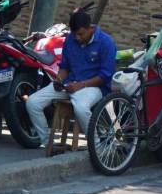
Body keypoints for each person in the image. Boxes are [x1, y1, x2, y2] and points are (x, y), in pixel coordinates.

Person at [25, 8, 116, 148]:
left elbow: (105, 76)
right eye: (75, 35)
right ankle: (46, 141)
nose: (78, 38)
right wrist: (58, 80)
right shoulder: (70, 39)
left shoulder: (106, 42)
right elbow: (65, 67)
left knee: (80, 108)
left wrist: (80, 85)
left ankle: (97, 145)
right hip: (69, 84)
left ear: (90, 28)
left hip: (95, 87)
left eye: (81, 34)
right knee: (32, 102)